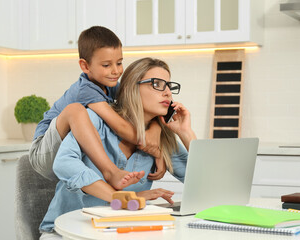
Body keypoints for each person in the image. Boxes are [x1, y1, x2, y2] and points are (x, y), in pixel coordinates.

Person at [39, 57, 197, 239]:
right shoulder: (94, 120)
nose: (168, 93)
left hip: (120, 233)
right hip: (66, 232)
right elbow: (64, 163)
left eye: (169, 86)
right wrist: (123, 198)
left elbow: (205, 185)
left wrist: (186, 133)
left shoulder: (162, 138)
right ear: (132, 87)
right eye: (157, 84)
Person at [29, 26, 166, 190]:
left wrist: (156, 129)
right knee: (75, 111)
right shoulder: (86, 89)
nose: (116, 71)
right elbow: (122, 127)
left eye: (119, 63)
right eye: (107, 65)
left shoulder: (111, 84)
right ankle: (110, 172)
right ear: (85, 66)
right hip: (44, 151)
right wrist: (155, 149)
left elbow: (149, 105)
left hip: (73, 154)